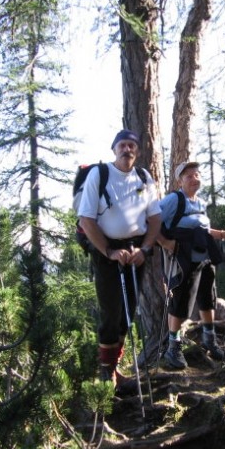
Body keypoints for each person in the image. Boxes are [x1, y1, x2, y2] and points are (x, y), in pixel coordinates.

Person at [77, 129, 161, 392]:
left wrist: (145, 249)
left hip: (136, 252)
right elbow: (86, 220)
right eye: (122, 145)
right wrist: (109, 252)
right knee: (110, 312)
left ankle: (114, 369)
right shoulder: (99, 175)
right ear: (114, 149)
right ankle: (106, 374)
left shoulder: (144, 177)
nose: (128, 149)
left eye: (132, 145)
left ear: (137, 151)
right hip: (106, 252)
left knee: (128, 311)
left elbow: (155, 218)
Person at [157, 161, 225, 369]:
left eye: (197, 174)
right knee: (180, 302)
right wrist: (166, 243)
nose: (194, 178)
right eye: (189, 176)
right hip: (182, 260)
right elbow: (152, 221)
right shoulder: (174, 200)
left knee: (207, 298)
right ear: (180, 181)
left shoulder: (201, 203)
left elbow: (205, 230)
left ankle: (209, 339)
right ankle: (173, 347)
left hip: (204, 257)